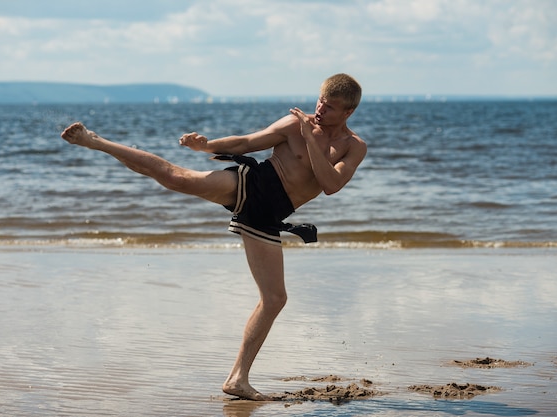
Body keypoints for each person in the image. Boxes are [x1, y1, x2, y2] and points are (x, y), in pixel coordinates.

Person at [60, 73, 366, 401]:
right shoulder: (296, 124)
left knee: (275, 299)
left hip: (268, 214)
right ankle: (95, 141)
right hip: (254, 183)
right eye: (320, 101)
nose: (320, 109)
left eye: (330, 107)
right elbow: (247, 142)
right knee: (177, 177)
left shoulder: (353, 147)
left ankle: (237, 379)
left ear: (348, 112)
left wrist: (309, 137)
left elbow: (331, 185)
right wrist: (206, 146)